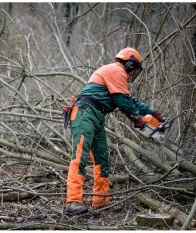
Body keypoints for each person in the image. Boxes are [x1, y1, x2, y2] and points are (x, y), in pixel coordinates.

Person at [65, 47, 164, 216]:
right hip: (84, 113)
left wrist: (152, 112)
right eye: (134, 69)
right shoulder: (117, 71)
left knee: (102, 158)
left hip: (96, 116)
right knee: (80, 156)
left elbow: (129, 100)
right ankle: (73, 201)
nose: (133, 74)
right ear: (130, 63)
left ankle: (101, 200)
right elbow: (124, 103)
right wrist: (136, 118)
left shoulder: (117, 76)